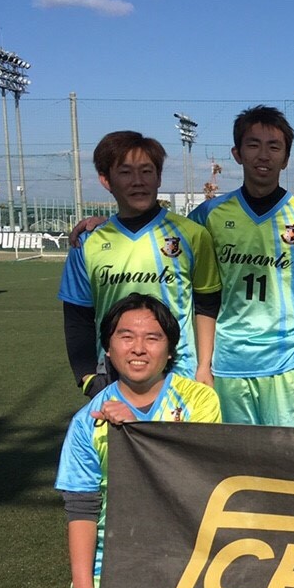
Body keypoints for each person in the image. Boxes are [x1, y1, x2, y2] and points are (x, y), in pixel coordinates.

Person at [41, 293, 222, 588]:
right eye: (126, 336)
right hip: (116, 561)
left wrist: (137, 433)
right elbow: (81, 509)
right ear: (108, 347)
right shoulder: (88, 422)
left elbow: (195, 478)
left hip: (186, 555)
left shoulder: (198, 401)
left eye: (152, 338)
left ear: (170, 350)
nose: (138, 348)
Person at [188, 106, 294, 427]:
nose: (263, 155)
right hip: (226, 367)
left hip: (285, 367)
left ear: (285, 158)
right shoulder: (209, 215)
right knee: (234, 457)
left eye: (274, 147)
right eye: (253, 145)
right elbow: (178, 261)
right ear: (237, 154)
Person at [59, 131, 221, 397]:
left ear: (159, 177)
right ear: (106, 180)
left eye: (147, 171)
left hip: (180, 378)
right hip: (113, 381)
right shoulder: (87, 243)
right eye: (125, 172)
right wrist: (87, 377)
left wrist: (204, 366)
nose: (138, 181)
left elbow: (207, 304)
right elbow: (78, 315)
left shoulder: (192, 235)